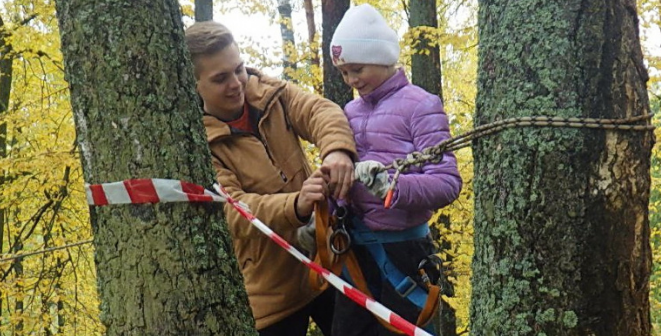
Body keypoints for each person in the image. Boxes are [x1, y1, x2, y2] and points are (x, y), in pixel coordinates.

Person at [184, 21, 357, 336]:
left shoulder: (272, 93)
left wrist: (336, 151)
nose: (236, 83)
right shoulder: (198, 144)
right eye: (220, 78)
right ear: (194, 84)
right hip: (271, 297)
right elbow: (233, 210)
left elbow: (320, 112)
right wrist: (297, 205)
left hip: (327, 266)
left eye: (238, 69)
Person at [329, 4, 463, 336]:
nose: (351, 80)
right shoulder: (349, 111)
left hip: (404, 253)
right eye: (344, 73)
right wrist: (330, 205)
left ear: (383, 58)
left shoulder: (421, 105)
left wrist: (391, 186)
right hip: (354, 250)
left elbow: (447, 182)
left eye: (357, 69)